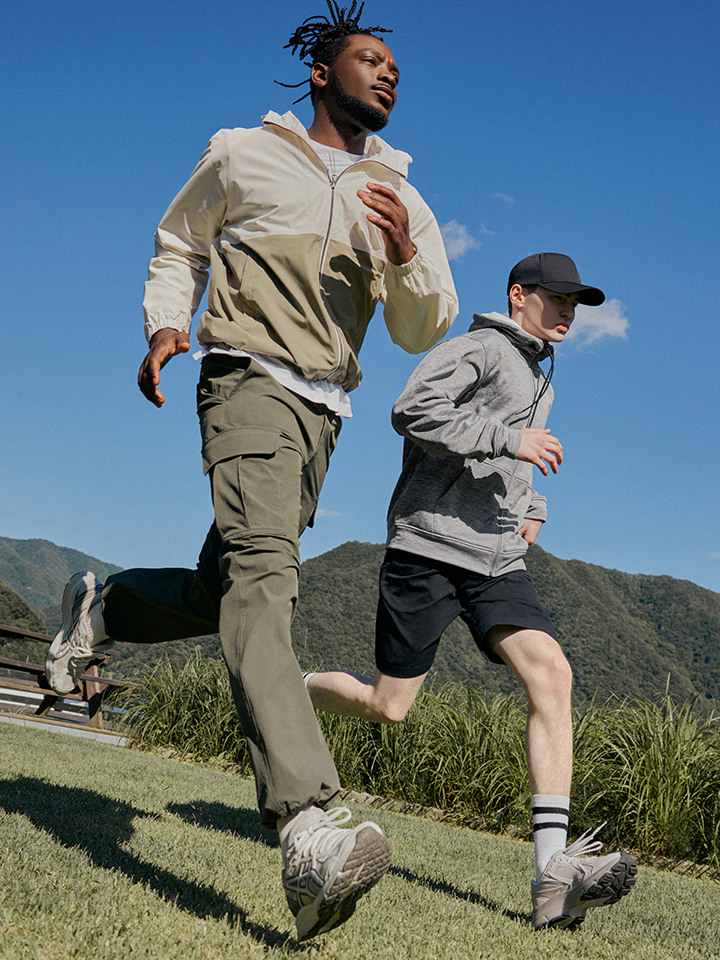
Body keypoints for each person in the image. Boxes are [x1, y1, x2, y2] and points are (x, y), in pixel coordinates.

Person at [45, 1, 458, 941]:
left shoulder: (403, 194)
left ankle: (104, 607)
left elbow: (422, 327)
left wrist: (404, 254)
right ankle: (308, 827)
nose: (388, 74)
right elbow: (180, 243)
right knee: (267, 584)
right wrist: (166, 323)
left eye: (395, 67)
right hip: (246, 381)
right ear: (322, 71)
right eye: (370, 59)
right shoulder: (243, 153)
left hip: (326, 413)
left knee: (226, 585)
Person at [305, 252, 638, 930]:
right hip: (428, 546)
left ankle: (551, 875)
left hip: (496, 558)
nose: (569, 312)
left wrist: (531, 505)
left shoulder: (540, 376)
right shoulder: (478, 348)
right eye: (557, 298)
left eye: (576, 303)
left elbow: (516, 458)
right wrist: (509, 441)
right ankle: (287, 690)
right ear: (519, 295)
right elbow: (412, 410)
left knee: (553, 675)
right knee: (388, 706)